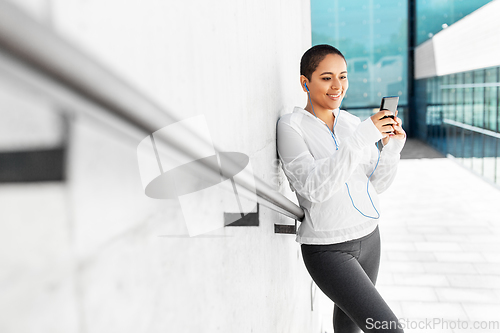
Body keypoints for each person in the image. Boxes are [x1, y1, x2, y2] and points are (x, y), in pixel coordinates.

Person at [276, 44, 406, 333]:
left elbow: (376, 185)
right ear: (305, 82)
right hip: (328, 248)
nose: (337, 86)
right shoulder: (291, 127)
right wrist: (362, 138)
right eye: (326, 77)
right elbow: (314, 189)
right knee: (388, 329)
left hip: (370, 237)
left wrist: (392, 149)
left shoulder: (350, 122)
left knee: (349, 324)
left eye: (343, 76)